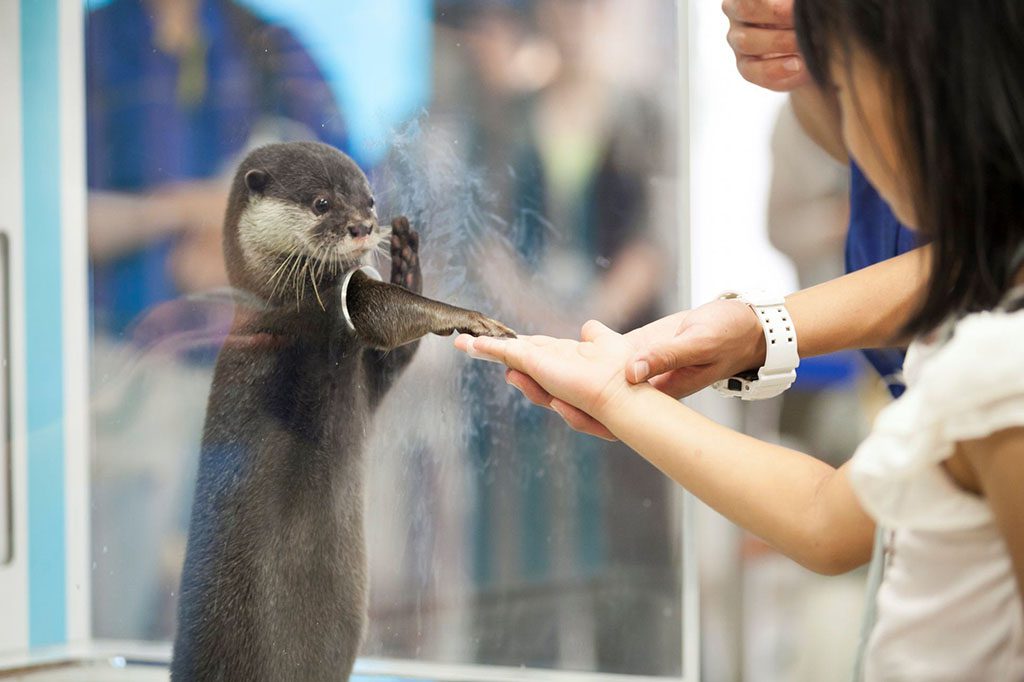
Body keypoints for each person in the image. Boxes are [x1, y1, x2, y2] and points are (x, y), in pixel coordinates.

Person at [456, 1, 1024, 679]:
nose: (846, 140)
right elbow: (827, 517)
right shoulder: (972, 355)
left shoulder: (996, 375)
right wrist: (623, 394)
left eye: (841, 83)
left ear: (927, 92)